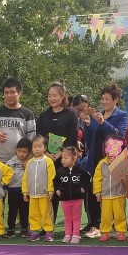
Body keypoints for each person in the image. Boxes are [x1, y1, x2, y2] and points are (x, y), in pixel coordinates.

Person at [79, 84, 128, 237]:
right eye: (103, 99)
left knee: (115, 192)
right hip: (96, 158)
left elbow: (119, 135)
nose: (104, 102)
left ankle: (117, 226)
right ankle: (95, 224)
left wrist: (103, 123)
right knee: (95, 189)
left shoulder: (122, 115)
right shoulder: (97, 115)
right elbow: (88, 140)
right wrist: (88, 125)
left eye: (107, 99)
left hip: (114, 159)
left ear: (116, 100)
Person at [36, 81, 79, 228]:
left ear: (62, 96)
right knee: (50, 194)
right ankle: (48, 226)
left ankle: (71, 227)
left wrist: (61, 153)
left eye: (54, 95)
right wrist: (46, 153)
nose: (51, 98)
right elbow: (39, 137)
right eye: (49, 96)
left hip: (66, 161)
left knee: (68, 193)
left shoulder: (71, 115)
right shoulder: (43, 116)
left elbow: (73, 137)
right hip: (47, 161)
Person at [0, 77, 36, 165]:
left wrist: (29, 158)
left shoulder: (27, 114)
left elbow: (32, 139)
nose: (9, 96)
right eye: (6, 93)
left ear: (19, 93)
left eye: (12, 92)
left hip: (20, 162)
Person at [54, 139, 90, 244]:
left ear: (74, 158)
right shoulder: (60, 171)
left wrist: (83, 188)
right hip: (64, 199)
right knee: (67, 218)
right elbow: (55, 181)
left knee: (76, 217)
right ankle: (67, 234)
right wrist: (57, 190)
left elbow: (87, 179)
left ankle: (75, 235)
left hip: (77, 198)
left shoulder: (80, 169)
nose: (63, 160)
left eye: (66, 158)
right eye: (62, 158)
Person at [93, 138, 128, 241]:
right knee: (105, 215)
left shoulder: (121, 161)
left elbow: (125, 177)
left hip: (119, 193)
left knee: (120, 214)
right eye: (106, 147)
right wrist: (97, 192)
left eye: (112, 146)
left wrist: (116, 164)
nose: (109, 149)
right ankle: (105, 232)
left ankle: (121, 231)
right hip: (105, 195)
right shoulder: (101, 163)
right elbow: (97, 179)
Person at [23, 136, 56, 241]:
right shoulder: (29, 162)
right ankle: (34, 231)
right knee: (33, 214)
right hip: (32, 194)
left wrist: (50, 190)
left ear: (45, 147)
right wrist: (25, 192)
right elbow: (25, 178)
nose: (37, 149)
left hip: (44, 194)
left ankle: (49, 232)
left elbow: (51, 177)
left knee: (46, 213)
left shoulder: (48, 161)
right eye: (34, 147)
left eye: (39, 146)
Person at [6, 138, 31, 237]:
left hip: (24, 191)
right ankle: (11, 228)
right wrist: (5, 187)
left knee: (24, 210)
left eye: (24, 152)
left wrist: (28, 166)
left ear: (29, 152)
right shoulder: (10, 162)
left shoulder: (31, 162)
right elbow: (6, 176)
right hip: (12, 190)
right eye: (19, 151)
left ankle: (24, 229)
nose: (21, 154)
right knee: (12, 210)